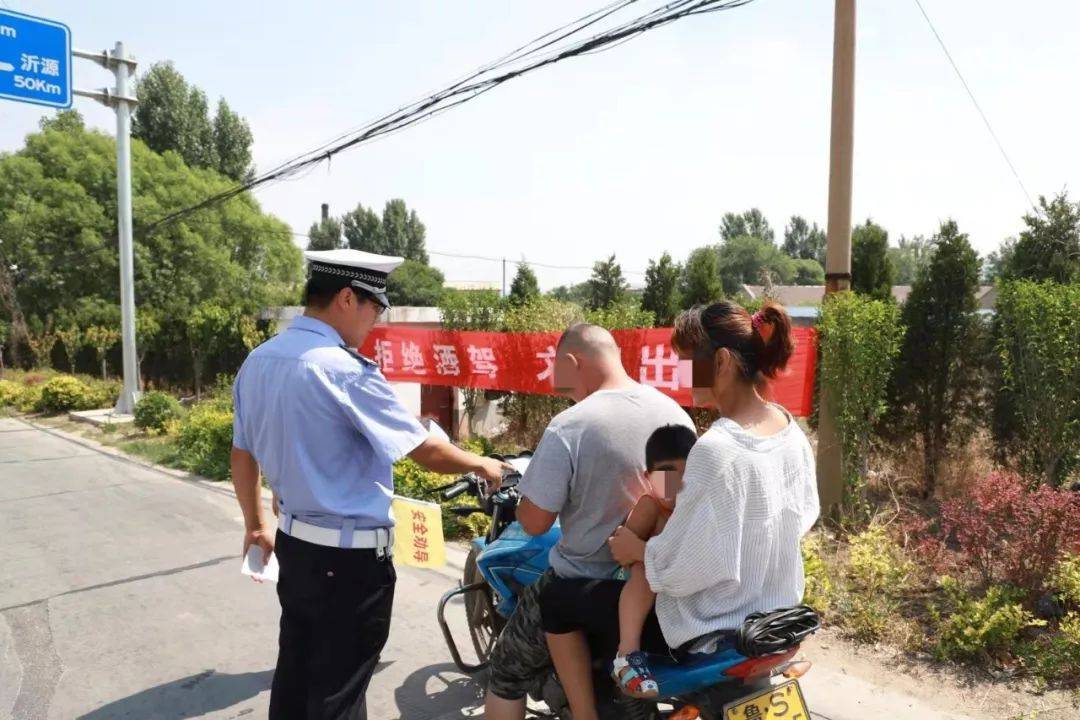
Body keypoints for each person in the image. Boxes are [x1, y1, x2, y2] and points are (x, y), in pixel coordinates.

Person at [231, 248, 509, 720]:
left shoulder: (259, 360)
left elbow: (242, 452)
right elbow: (423, 449)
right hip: (348, 563)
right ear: (346, 298)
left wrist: (255, 524)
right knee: (339, 693)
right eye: (375, 308)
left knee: (296, 677)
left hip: (296, 549)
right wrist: (484, 465)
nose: (375, 321)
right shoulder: (343, 369)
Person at [542, 301, 820, 715]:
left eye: (688, 363)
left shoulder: (716, 448)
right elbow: (802, 516)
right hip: (772, 618)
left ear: (722, 362)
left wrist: (639, 551)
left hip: (709, 625)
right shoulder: (788, 431)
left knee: (556, 599)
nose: (681, 375)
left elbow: (689, 565)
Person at [483, 323, 695, 720]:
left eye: (556, 365)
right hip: (659, 583)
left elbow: (535, 523)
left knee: (506, 671)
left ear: (571, 361)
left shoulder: (571, 424)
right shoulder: (673, 412)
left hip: (582, 582)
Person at [611, 424, 697, 697]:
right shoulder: (651, 506)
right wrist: (643, 552)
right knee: (644, 570)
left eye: (687, 474)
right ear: (649, 477)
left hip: (679, 585)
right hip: (640, 584)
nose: (678, 484)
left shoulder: (697, 508)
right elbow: (623, 549)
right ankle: (627, 652)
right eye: (667, 476)